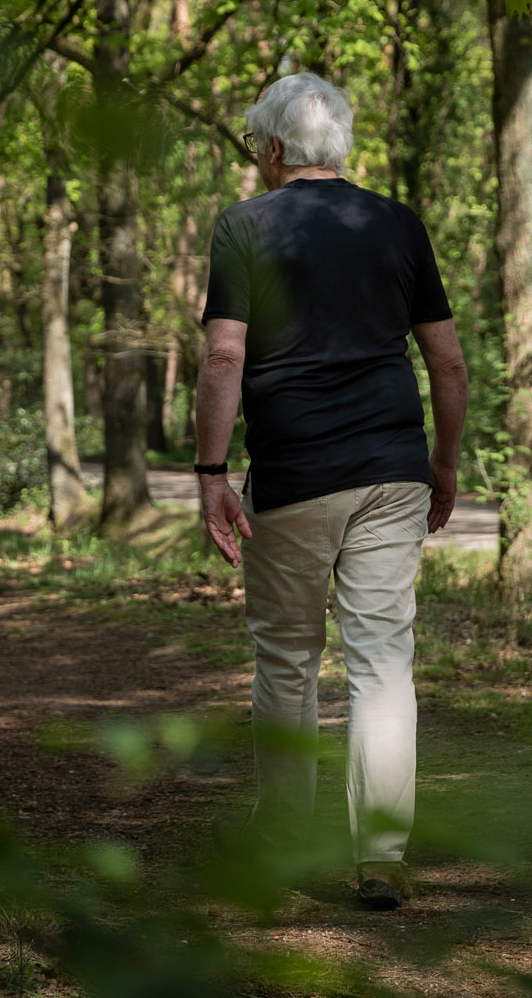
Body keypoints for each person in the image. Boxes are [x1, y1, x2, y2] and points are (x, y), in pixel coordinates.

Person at [193, 71, 469, 911]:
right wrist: (444, 463)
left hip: (297, 472)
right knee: (384, 661)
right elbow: (448, 360)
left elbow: (224, 358)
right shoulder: (394, 222)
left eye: (256, 147)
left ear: (275, 148)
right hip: (392, 468)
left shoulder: (244, 225)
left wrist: (209, 475)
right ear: (338, 145)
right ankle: (380, 855)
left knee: (286, 659)